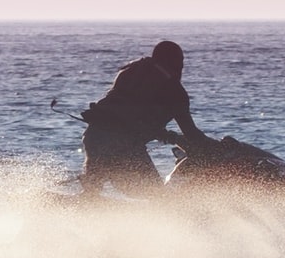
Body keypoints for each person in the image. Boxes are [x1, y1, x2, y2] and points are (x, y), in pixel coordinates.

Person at [80, 40, 206, 197]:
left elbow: (133, 118)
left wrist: (169, 136)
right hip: (122, 147)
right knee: (157, 196)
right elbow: (191, 132)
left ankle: (86, 200)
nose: (182, 66)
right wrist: (215, 148)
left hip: (94, 137)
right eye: (180, 61)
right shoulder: (175, 92)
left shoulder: (129, 73)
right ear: (175, 63)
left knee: (92, 190)